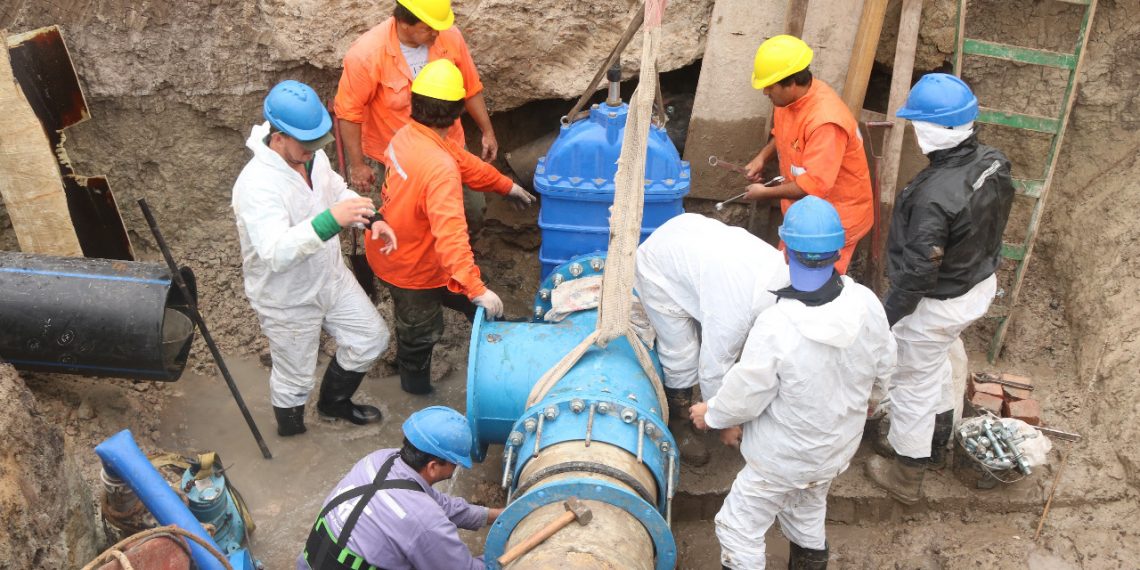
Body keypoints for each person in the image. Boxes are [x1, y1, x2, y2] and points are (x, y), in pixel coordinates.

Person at [690, 197, 896, 570]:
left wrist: (713, 413)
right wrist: (872, 400)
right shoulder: (866, 303)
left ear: (785, 251)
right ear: (838, 251)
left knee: (738, 528)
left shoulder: (778, 324)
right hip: (835, 450)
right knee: (806, 510)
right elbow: (885, 366)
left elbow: (747, 394)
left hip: (782, 459)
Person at [866, 73, 1014, 504]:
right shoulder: (993, 162)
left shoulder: (933, 196)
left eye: (916, 124)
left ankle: (907, 474)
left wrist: (886, 317)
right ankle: (938, 437)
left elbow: (917, 274)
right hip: (976, 285)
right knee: (940, 359)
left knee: (912, 382)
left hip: (938, 302)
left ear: (928, 130)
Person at [232, 80, 399, 436]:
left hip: (330, 276)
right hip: (287, 296)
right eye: (307, 144)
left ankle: (333, 405)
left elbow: (336, 189)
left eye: (318, 143)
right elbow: (275, 252)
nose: (315, 150)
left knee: (370, 338)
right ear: (279, 138)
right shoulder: (257, 185)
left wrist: (372, 218)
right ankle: (292, 434)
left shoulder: (311, 156)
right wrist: (330, 221)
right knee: (295, 377)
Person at [365, 59, 533, 395]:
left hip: (401, 249)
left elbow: (465, 162)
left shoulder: (408, 135)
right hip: (411, 267)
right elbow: (452, 235)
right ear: (458, 113)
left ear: (415, 103)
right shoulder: (439, 168)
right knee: (420, 332)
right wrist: (475, 286)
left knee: (474, 305)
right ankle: (416, 393)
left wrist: (504, 185)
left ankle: (500, 344)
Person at [634, 213, 791, 466]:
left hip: (694, 246)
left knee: (716, 337)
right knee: (682, 353)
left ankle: (710, 409)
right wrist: (723, 422)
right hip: (660, 265)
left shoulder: (786, 280)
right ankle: (679, 422)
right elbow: (713, 368)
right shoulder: (736, 312)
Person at [334, 0, 498, 229]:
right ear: (404, 22)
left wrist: (487, 131)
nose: (436, 33)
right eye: (428, 28)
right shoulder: (366, 54)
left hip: (450, 146)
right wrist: (358, 165)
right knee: (408, 223)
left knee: (471, 212)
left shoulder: (449, 37)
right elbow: (349, 112)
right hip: (400, 158)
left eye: (438, 26)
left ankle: (462, 247)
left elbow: (470, 87)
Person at [299, 406, 502, 570]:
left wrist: (499, 516)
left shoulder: (379, 459)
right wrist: (506, 554)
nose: (456, 468)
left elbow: (443, 505)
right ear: (433, 467)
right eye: (454, 463)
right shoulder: (425, 521)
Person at [742, 35, 874, 274]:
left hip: (833, 221)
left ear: (791, 83)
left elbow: (814, 185)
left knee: (816, 285)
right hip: (805, 215)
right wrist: (762, 157)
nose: (765, 92)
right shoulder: (788, 101)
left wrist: (765, 193)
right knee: (787, 274)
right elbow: (783, 134)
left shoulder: (825, 122)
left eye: (770, 86)